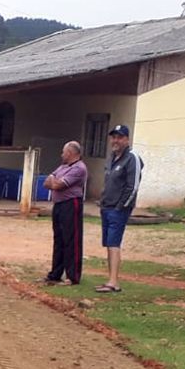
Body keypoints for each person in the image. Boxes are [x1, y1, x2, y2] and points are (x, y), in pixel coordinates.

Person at [96, 124, 144, 293]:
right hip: (106, 207)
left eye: (119, 137)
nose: (115, 140)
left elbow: (133, 186)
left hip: (119, 209)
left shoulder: (132, 158)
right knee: (109, 243)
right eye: (113, 137)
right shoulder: (111, 158)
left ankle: (114, 281)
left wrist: (121, 206)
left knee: (114, 243)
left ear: (127, 139)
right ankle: (110, 279)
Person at [43, 141, 88, 286]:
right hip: (59, 205)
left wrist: (53, 181)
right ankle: (55, 274)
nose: (62, 154)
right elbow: (47, 182)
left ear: (70, 153)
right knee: (59, 240)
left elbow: (56, 185)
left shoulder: (79, 168)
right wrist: (53, 180)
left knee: (71, 240)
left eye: (64, 152)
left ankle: (73, 276)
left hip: (71, 204)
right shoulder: (63, 166)